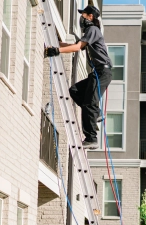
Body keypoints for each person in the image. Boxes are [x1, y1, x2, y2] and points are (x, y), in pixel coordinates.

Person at [44, 5, 112, 149]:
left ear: (90, 17)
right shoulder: (90, 33)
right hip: (97, 73)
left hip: (102, 72)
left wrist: (56, 51)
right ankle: (96, 113)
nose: (81, 17)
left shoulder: (93, 30)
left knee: (89, 103)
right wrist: (56, 44)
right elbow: (75, 45)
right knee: (75, 90)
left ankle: (91, 138)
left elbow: (75, 48)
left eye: (83, 14)